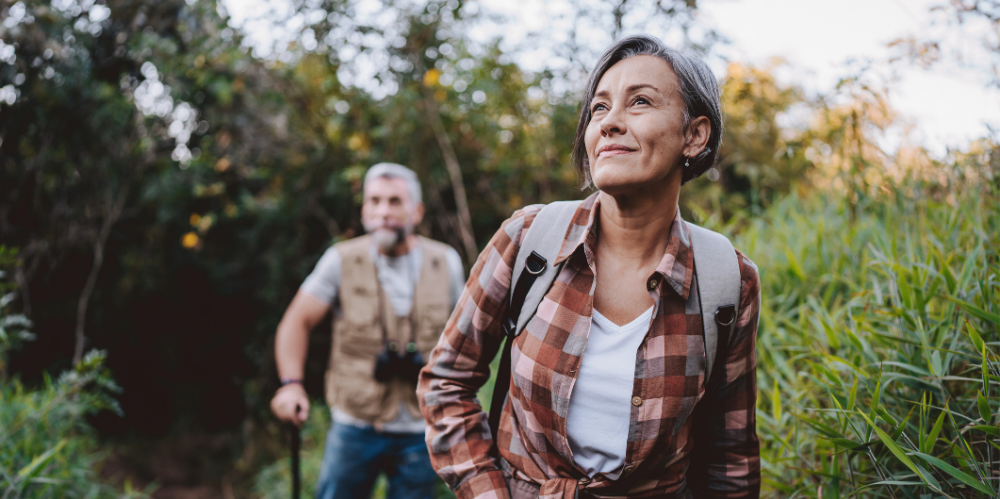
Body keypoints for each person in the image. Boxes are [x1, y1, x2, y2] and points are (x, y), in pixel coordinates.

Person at [418, 35, 761, 499]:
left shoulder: (726, 281)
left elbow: (729, 453)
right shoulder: (529, 240)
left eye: (639, 101)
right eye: (599, 108)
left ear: (694, 135)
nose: (610, 123)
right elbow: (446, 382)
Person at [270, 163, 466, 499]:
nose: (382, 212)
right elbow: (295, 322)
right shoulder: (341, 259)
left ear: (416, 211)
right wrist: (291, 386)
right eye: (374, 201)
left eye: (394, 201)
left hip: (423, 429)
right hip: (355, 424)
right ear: (363, 209)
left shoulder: (445, 261)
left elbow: (466, 342)